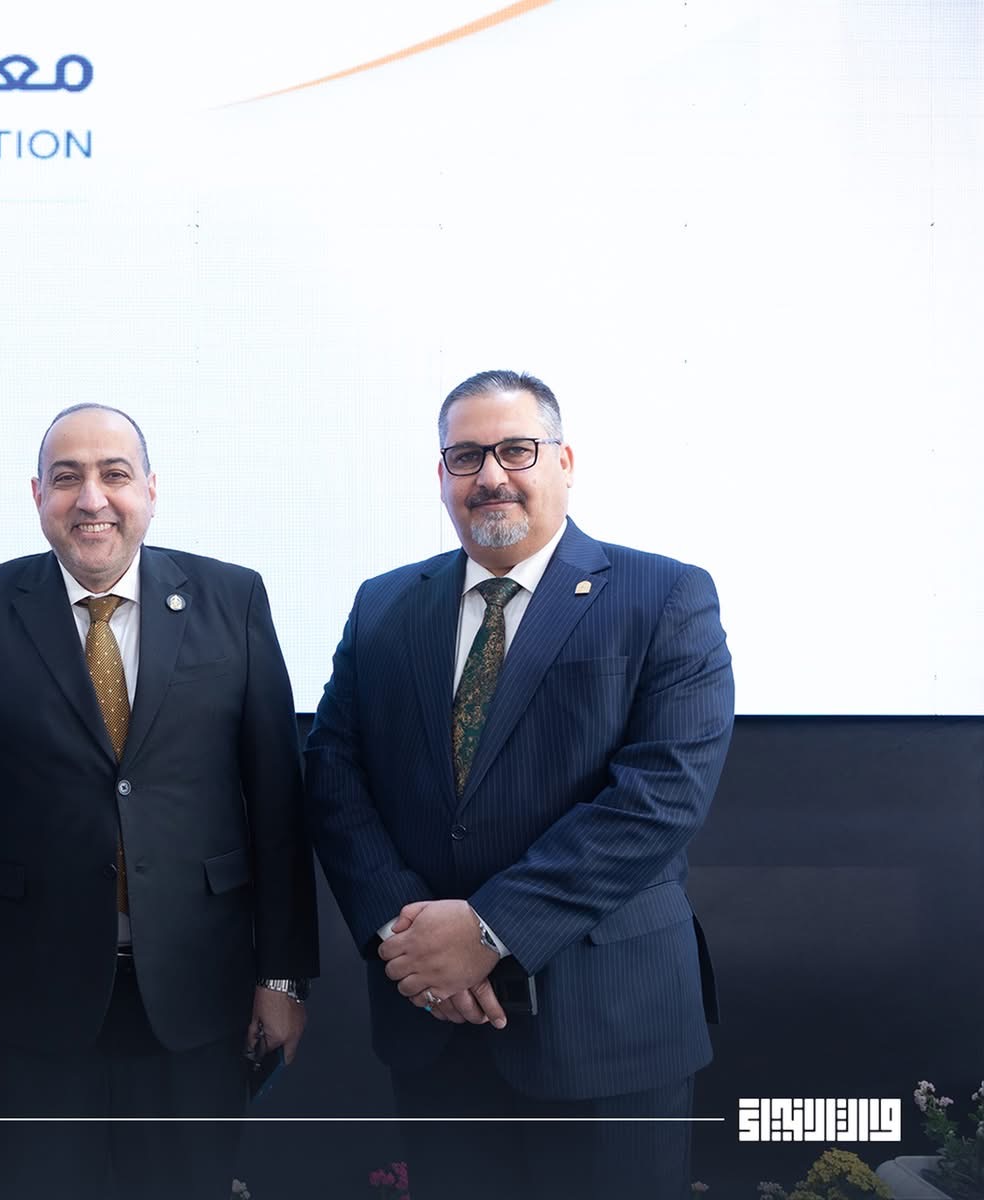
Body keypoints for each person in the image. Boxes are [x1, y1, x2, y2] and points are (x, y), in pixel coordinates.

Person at [303, 371, 734, 1200]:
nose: (491, 475)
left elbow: (662, 796)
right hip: (434, 1023)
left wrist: (489, 930)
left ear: (564, 462)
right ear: (442, 475)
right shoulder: (385, 605)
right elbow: (333, 771)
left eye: (516, 450)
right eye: (466, 456)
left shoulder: (665, 595)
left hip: (607, 1025)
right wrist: (412, 938)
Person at [0, 403, 319, 1200]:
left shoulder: (233, 598)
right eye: (67, 478)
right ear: (38, 496)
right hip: (29, 1008)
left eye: (114, 475)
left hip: (200, 1002)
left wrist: (284, 978)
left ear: (151, 490)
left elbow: (277, 806)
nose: (91, 499)